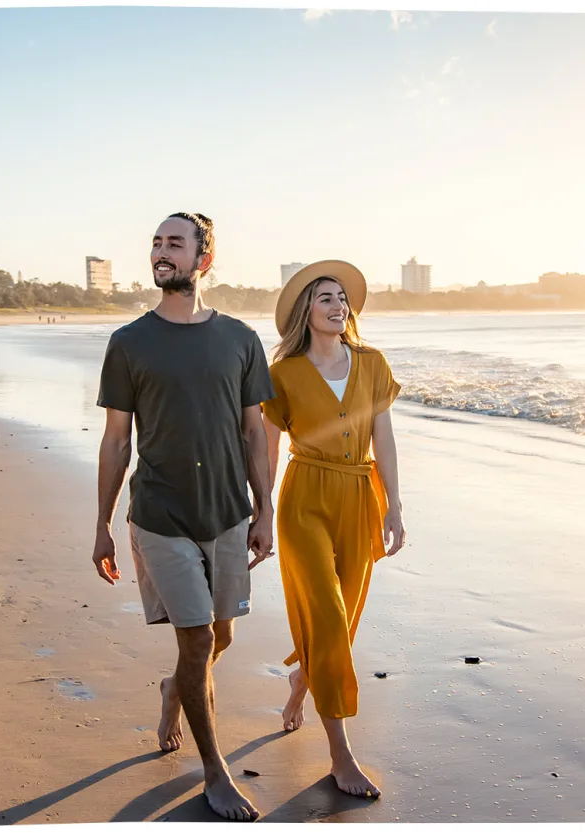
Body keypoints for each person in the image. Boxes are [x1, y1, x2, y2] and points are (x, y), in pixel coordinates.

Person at [94, 212, 273, 822]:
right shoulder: (129, 342)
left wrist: (264, 511)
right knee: (196, 638)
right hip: (160, 515)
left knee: (218, 637)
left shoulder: (241, 340)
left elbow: (255, 433)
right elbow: (117, 440)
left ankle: (175, 690)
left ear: (204, 259)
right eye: (156, 243)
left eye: (174, 242)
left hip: (226, 513)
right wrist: (102, 525)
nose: (161, 252)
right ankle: (214, 772)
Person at [260, 261, 406, 800]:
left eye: (342, 297)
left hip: (358, 495)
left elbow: (383, 440)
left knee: (343, 619)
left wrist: (394, 505)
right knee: (325, 609)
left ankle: (304, 681)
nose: (338, 305)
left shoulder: (372, 364)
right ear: (306, 310)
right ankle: (340, 751)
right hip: (303, 500)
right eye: (325, 297)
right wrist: (259, 512)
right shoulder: (284, 374)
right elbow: (268, 449)